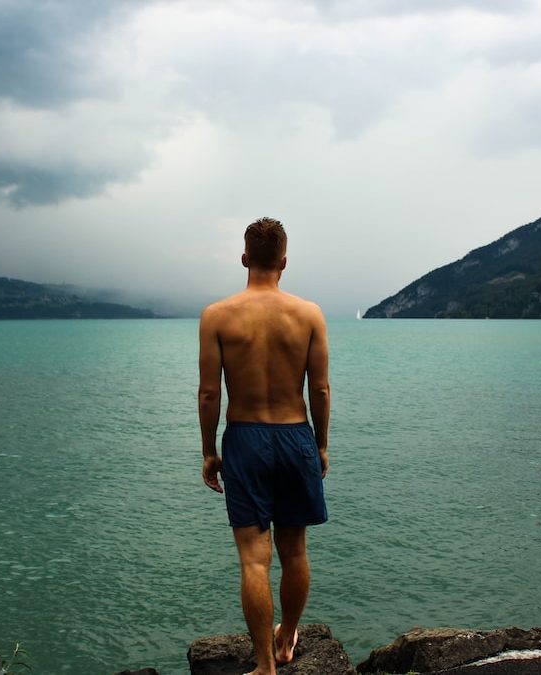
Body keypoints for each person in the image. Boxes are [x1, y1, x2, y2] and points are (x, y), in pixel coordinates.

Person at [198, 217, 331, 675]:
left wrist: (208, 450)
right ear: (285, 262)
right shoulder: (309, 314)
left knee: (255, 560)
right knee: (295, 551)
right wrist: (321, 445)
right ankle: (288, 635)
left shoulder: (217, 315)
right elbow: (321, 390)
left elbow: (209, 393)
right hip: (296, 436)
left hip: (246, 438)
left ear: (244, 259)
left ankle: (263, 667)